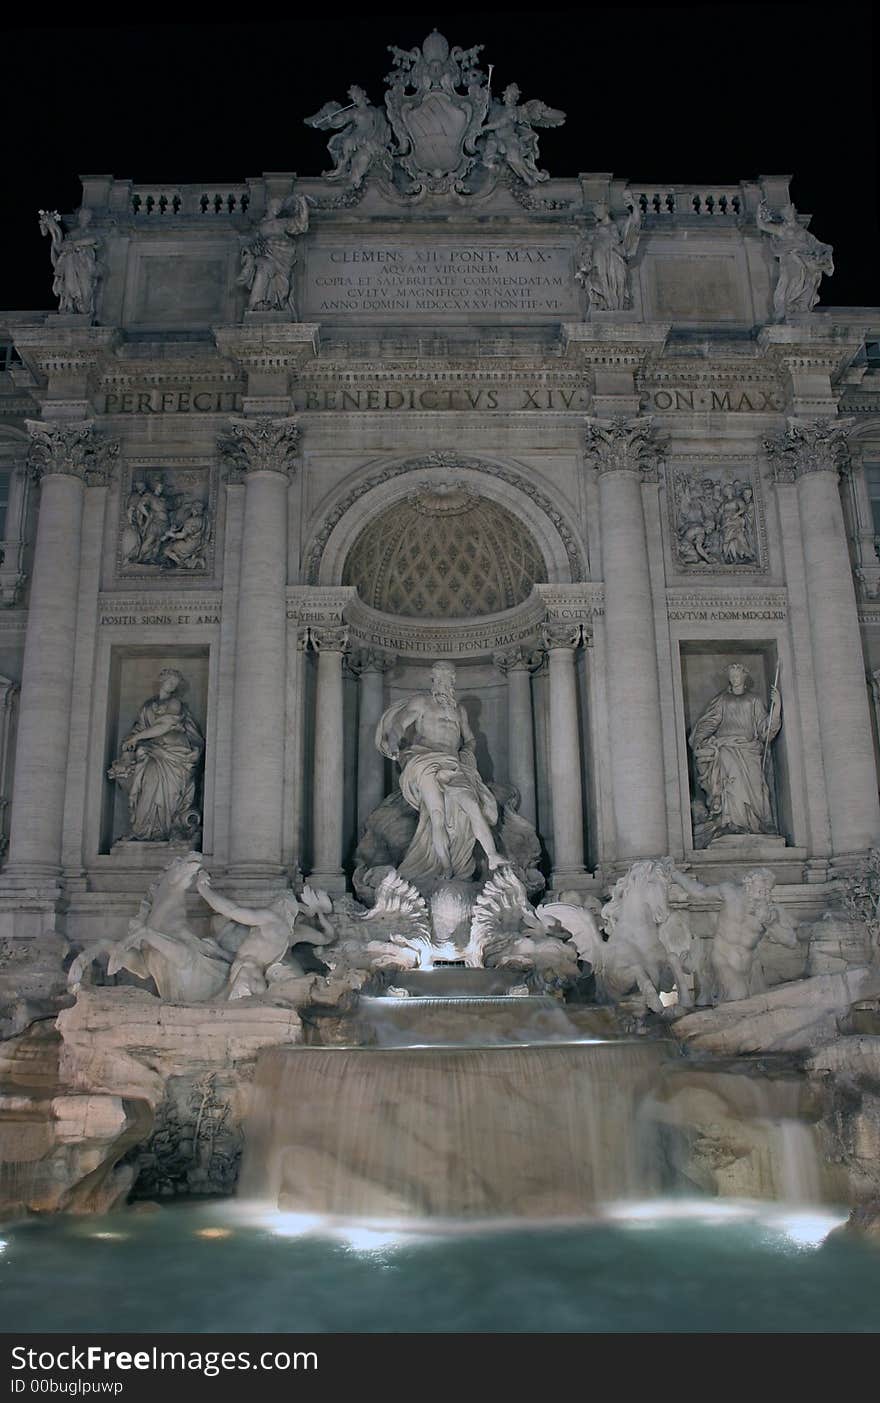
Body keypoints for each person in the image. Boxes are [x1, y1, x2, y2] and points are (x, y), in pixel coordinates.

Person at [376, 661, 505, 882]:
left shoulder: (459, 710)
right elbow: (399, 724)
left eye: (450, 678)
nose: (447, 682)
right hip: (425, 760)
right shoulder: (422, 702)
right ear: (433, 680)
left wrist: (467, 753)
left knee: (473, 804)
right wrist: (394, 742)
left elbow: (470, 739)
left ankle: (492, 855)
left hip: (453, 764)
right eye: (442, 678)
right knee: (437, 815)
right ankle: (445, 867)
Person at [670, 866, 798, 1003]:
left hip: (749, 968)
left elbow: (791, 941)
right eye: (760, 890)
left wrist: (770, 923)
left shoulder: (770, 910)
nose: (763, 894)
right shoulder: (730, 892)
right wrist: (674, 873)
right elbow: (698, 891)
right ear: (748, 885)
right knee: (738, 995)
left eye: (767, 891)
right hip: (722, 959)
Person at [110, 668, 204, 842]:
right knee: (147, 786)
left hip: (175, 755)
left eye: (175, 684)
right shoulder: (147, 706)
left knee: (167, 792)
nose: (172, 686)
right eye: (170, 682)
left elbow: (165, 726)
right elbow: (139, 729)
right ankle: (144, 829)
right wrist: (128, 746)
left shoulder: (175, 703)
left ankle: (167, 829)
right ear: (162, 682)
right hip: (152, 753)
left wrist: (137, 737)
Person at [688, 663, 780, 840]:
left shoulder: (754, 700)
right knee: (731, 784)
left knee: (756, 786)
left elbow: (764, 729)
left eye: (737, 675)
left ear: (744, 677)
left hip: (749, 750)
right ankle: (731, 822)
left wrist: (776, 708)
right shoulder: (722, 700)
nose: (734, 679)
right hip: (726, 748)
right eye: (732, 676)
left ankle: (755, 824)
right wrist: (701, 740)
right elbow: (709, 722)